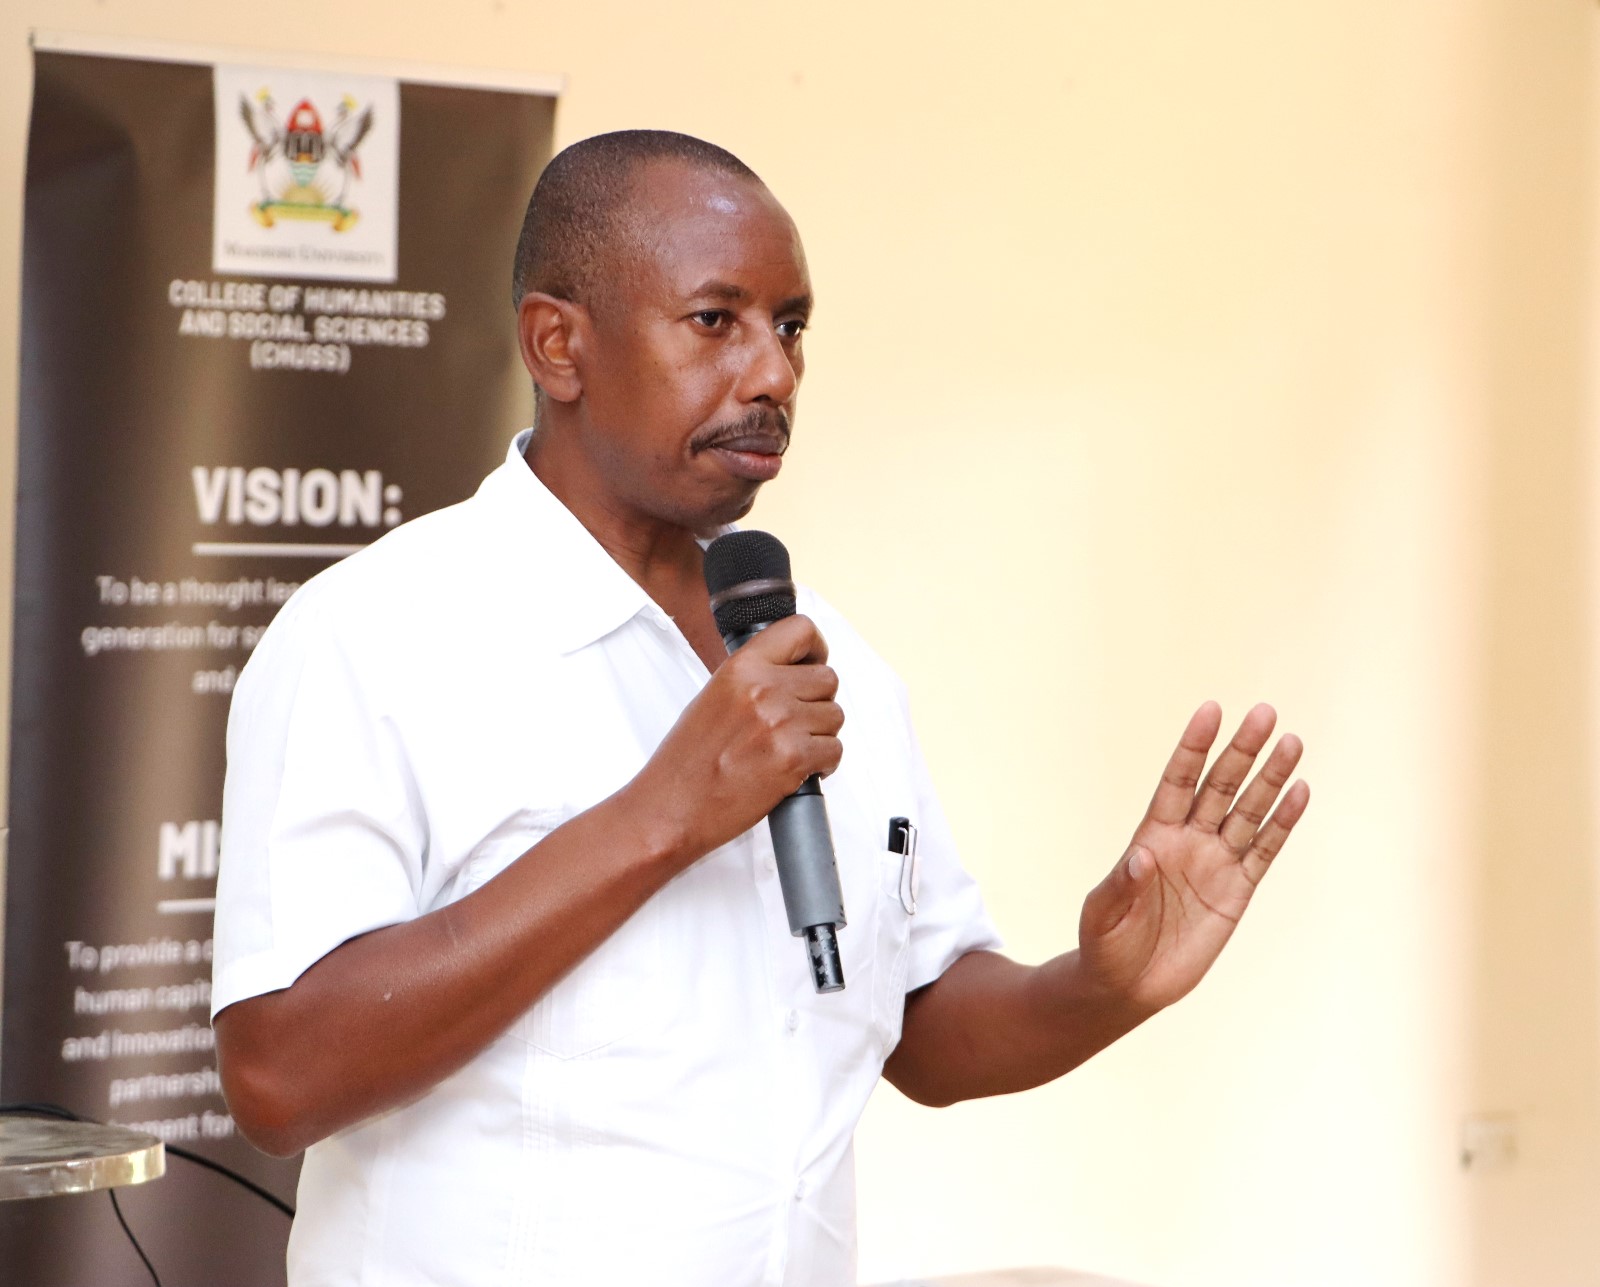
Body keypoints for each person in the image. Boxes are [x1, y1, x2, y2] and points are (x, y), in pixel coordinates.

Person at [211, 130, 1309, 1287]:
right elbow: (279, 1078)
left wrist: (1101, 988)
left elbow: (920, 1028)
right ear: (558, 344)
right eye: (714, 321)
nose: (773, 374)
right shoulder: (378, 635)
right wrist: (662, 817)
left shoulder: (830, 665)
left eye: (790, 327)